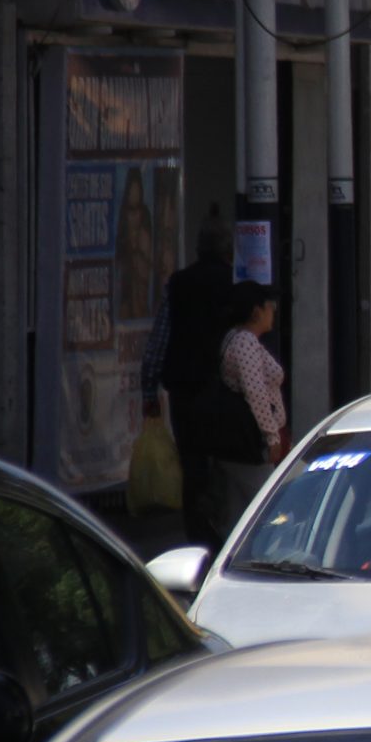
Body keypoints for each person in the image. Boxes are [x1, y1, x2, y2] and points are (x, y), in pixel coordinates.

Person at [142, 220, 235, 546]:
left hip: (185, 390)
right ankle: (222, 530)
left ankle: (197, 534)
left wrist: (148, 389)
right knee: (225, 464)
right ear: (228, 251)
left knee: (192, 464)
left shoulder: (179, 284)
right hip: (223, 391)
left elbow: (158, 341)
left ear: (197, 250)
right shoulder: (232, 284)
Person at [217, 282, 288, 533]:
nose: (274, 312)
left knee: (240, 515)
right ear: (256, 311)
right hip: (250, 441)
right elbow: (255, 391)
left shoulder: (238, 339)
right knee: (272, 507)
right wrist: (272, 436)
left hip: (240, 443)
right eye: (271, 306)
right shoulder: (245, 341)